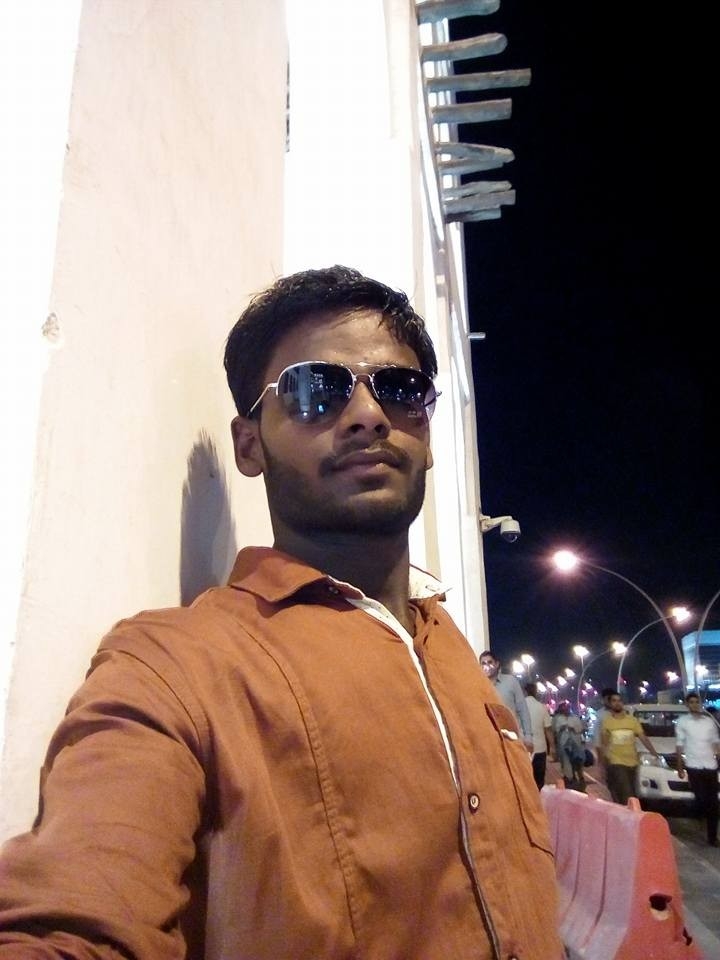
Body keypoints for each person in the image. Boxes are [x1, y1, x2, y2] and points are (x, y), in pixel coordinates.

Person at [0, 265, 563, 959]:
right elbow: (77, 919)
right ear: (249, 444)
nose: (368, 414)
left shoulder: (449, 645)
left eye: (399, 388)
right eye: (314, 389)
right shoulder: (174, 669)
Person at [675, 692, 720, 847]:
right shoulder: (683, 722)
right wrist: (680, 767)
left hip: (710, 766)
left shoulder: (709, 722)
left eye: (697, 702)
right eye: (691, 702)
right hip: (693, 766)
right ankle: (699, 818)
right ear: (687, 704)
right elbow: (679, 745)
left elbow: (716, 742)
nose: (694, 705)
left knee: (713, 802)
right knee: (701, 799)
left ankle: (712, 837)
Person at [600, 691, 660, 805]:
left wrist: (653, 752)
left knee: (632, 791)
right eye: (614, 701)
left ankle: (625, 809)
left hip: (633, 762)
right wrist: (603, 763)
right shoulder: (607, 722)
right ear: (610, 704)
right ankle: (628, 812)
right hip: (616, 762)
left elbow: (643, 737)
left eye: (619, 701)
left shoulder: (632, 721)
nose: (617, 703)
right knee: (627, 792)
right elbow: (604, 744)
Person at [478, 650, 533, 749]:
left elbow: (523, 710)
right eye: (483, 663)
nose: (487, 666)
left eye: (490, 662)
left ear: (497, 664)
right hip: (489, 741)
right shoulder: (478, 686)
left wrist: (528, 737)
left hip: (512, 739)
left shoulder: (511, 682)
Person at [525, 681, 556, 789]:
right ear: (536, 692)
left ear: (524, 692)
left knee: (526, 780)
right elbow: (548, 730)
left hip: (524, 749)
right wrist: (552, 747)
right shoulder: (542, 707)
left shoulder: (518, 707)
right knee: (539, 781)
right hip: (540, 749)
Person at [552, 700, 587, 791]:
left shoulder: (575, 718)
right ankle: (570, 779)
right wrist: (562, 728)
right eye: (564, 708)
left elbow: (580, 729)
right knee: (566, 762)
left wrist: (573, 728)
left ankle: (581, 779)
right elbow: (555, 730)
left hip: (575, 744)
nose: (566, 710)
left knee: (577, 762)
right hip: (564, 744)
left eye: (567, 708)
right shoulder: (558, 719)